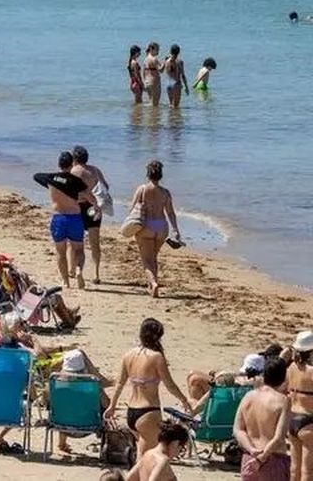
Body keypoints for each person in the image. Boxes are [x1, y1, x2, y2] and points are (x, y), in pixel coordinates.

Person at [106, 319, 194, 460]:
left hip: (132, 412)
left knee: (143, 455)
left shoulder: (129, 355)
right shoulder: (157, 357)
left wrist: (112, 406)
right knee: (146, 459)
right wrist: (183, 399)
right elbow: (169, 384)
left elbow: (120, 383)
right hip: (148, 412)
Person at [34, 150, 96, 289]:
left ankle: (65, 281)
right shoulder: (76, 181)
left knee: (61, 252)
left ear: (58, 164)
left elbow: (36, 176)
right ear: (72, 164)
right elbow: (90, 197)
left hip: (59, 218)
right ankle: (79, 270)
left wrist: (55, 181)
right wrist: (96, 206)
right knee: (79, 250)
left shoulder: (51, 178)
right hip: (74, 217)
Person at [128, 160, 182, 298]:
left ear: (148, 174)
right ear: (160, 175)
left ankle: (153, 283)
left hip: (146, 225)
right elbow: (170, 212)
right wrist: (175, 230)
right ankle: (152, 285)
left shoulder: (142, 189)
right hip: (161, 226)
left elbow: (132, 208)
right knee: (153, 257)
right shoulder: (165, 192)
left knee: (146, 260)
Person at [234, 356, 291, 481]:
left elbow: (238, 430)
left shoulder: (249, 396)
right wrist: (262, 458)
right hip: (272, 458)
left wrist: (251, 449)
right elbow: (279, 437)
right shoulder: (283, 401)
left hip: (249, 458)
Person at [70, 146, 113, 284]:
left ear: (74, 159)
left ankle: (74, 269)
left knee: (76, 241)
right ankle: (96, 273)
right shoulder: (95, 170)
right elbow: (105, 186)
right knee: (95, 242)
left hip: (78, 207)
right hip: (94, 208)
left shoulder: (74, 171)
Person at [105, 421, 191, 481]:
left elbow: (130, 478)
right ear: (175, 443)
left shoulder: (148, 454)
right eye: (181, 448)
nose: (178, 453)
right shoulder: (162, 460)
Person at [288, 332, 313, 481]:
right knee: (308, 471)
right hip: (309, 422)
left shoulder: (292, 367)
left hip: (293, 418)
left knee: (294, 468)